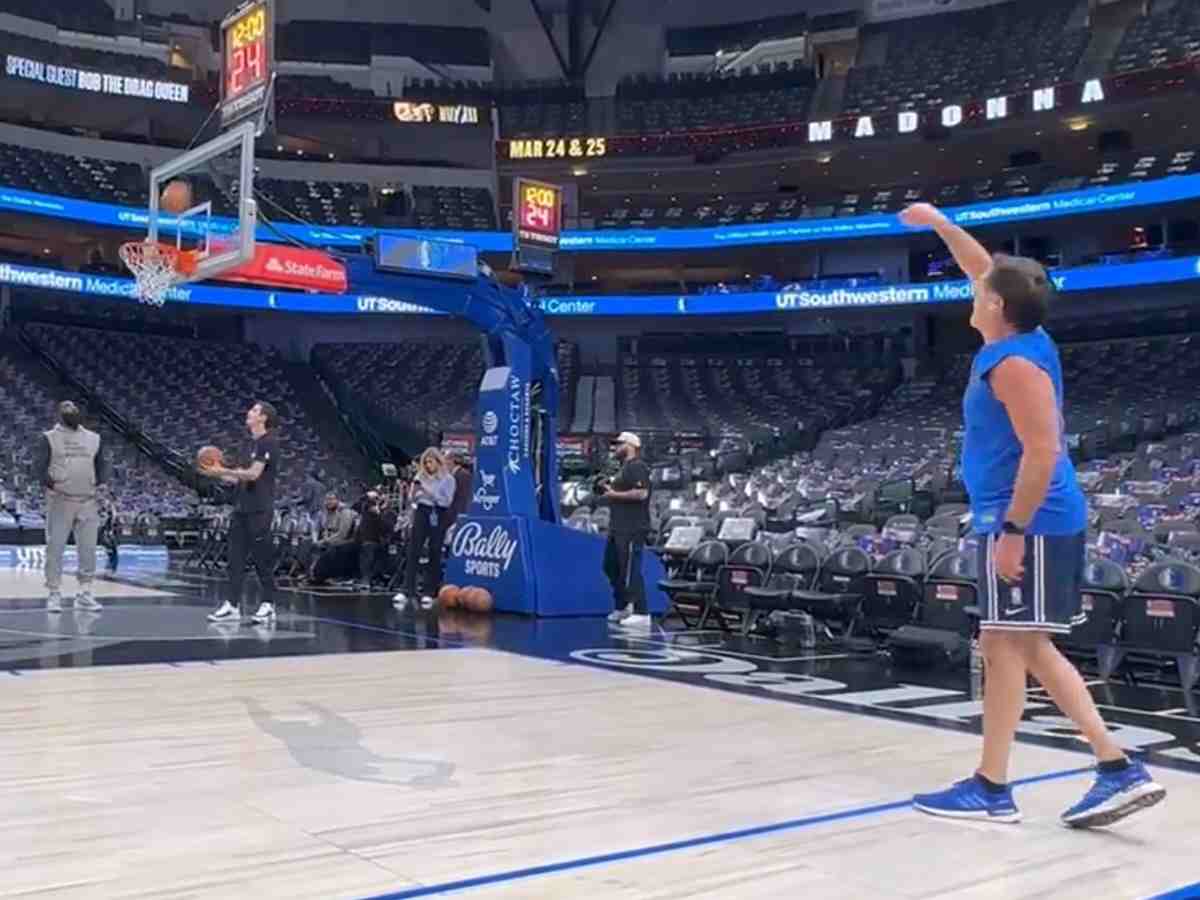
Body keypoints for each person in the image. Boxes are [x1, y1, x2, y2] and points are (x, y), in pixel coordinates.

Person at [901, 202, 1165, 828]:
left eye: (981, 289)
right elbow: (980, 265)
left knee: (1014, 643)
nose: (973, 285)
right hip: (1021, 521)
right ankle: (1062, 772)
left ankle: (1083, 771)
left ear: (994, 306)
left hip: (1034, 522)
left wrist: (1014, 532)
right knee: (1014, 645)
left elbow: (1044, 451)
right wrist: (940, 222)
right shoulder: (1014, 334)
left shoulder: (1016, 364)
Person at [199, 401, 280, 625]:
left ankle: (269, 604)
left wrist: (224, 469)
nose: (249, 413)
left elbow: (254, 474)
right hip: (241, 508)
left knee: (261, 559)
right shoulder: (248, 445)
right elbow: (238, 477)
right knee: (234, 559)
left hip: (260, 509)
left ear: (263, 418)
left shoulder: (269, 443)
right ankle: (232, 605)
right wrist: (215, 472)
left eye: (254, 410)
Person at [34, 401, 108, 612]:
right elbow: (39, 467)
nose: (70, 412)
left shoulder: (94, 438)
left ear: (79, 413)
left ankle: (84, 593)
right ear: (59, 415)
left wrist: (102, 484)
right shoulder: (49, 437)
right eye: (66, 410)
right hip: (61, 499)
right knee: (55, 548)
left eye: (73, 409)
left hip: (88, 500)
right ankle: (54, 593)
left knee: (88, 549)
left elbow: (101, 464)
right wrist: (52, 484)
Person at [393, 448, 455, 610]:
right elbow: (414, 497)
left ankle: (430, 591)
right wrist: (414, 492)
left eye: (431, 462)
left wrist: (426, 492)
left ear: (438, 462)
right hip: (421, 511)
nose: (428, 465)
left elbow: (445, 501)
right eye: (425, 462)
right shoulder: (420, 477)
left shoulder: (448, 479)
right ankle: (407, 590)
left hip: (438, 513)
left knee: (435, 550)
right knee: (413, 549)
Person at [602, 432, 652, 628]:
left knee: (631, 567)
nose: (615, 448)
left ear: (630, 445)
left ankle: (641, 611)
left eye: (619, 444)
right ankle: (622, 605)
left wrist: (614, 493)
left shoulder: (637, 466)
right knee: (611, 565)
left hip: (633, 526)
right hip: (617, 525)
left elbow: (641, 493)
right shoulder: (623, 469)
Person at [303, 491, 355, 577]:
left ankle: (322, 573)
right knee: (307, 543)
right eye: (327, 499)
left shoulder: (345, 512)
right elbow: (317, 528)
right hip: (328, 539)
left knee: (330, 547)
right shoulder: (324, 512)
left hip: (344, 541)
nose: (328, 502)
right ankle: (308, 571)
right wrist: (316, 540)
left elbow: (342, 533)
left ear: (337, 500)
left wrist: (324, 541)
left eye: (331, 499)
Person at [355, 489, 395, 591]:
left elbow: (387, 528)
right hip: (367, 538)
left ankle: (367, 580)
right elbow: (357, 506)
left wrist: (379, 514)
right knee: (365, 551)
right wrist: (367, 496)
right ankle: (366, 578)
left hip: (379, 540)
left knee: (369, 551)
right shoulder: (368, 509)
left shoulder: (389, 513)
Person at [446, 453, 473, 531]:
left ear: (451, 461)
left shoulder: (463, 475)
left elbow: (464, 496)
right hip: (453, 513)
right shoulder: (455, 475)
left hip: (458, 513)